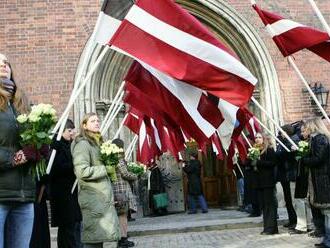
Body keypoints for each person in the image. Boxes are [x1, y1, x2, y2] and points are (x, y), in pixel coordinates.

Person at [0, 53, 36, 248]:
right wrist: (12, 158)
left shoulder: (21, 102)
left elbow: (33, 140)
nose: (4, 66)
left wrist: (39, 148)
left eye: (6, 63)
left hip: (24, 194)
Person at [71, 113, 120, 248]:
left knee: (103, 237)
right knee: (94, 239)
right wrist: (106, 169)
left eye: (98, 120)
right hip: (92, 197)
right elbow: (82, 171)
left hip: (102, 198)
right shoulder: (82, 144)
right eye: (92, 121)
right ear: (84, 125)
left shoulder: (97, 143)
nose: (97, 123)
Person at [49, 119, 82, 248]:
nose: (72, 133)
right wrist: (74, 166)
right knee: (67, 226)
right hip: (62, 192)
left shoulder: (69, 145)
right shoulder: (56, 146)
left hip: (70, 191)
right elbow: (56, 168)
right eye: (69, 130)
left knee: (73, 223)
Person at [299, 118, 330, 248]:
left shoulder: (320, 139)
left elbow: (318, 158)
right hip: (319, 179)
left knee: (327, 212)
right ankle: (326, 239)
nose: (302, 132)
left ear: (311, 127)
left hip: (323, 180)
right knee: (325, 212)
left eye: (305, 129)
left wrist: (304, 159)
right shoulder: (316, 140)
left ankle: (328, 241)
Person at [247, 132, 278, 235]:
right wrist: (250, 161)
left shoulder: (269, 149)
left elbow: (273, 163)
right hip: (258, 182)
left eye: (259, 137)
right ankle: (267, 227)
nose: (257, 139)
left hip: (267, 182)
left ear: (264, 139)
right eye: (256, 137)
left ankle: (271, 229)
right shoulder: (254, 150)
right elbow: (249, 164)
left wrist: (258, 162)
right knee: (264, 206)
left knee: (270, 205)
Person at [112, 138, 138, 248]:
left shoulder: (110, 158)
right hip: (122, 190)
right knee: (123, 215)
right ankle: (123, 238)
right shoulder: (118, 158)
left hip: (115, 190)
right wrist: (136, 175)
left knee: (119, 215)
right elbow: (125, 173)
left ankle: (121, 236)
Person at [275, 124, 298, 229]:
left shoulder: (292, 141)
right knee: (287, 200)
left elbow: (287, 155)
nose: (280, 134)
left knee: (292, 199)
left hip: (290, 173)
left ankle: (296, 220)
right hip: (284, 174)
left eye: (282, 132)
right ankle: (291, 219)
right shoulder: (282, 142)